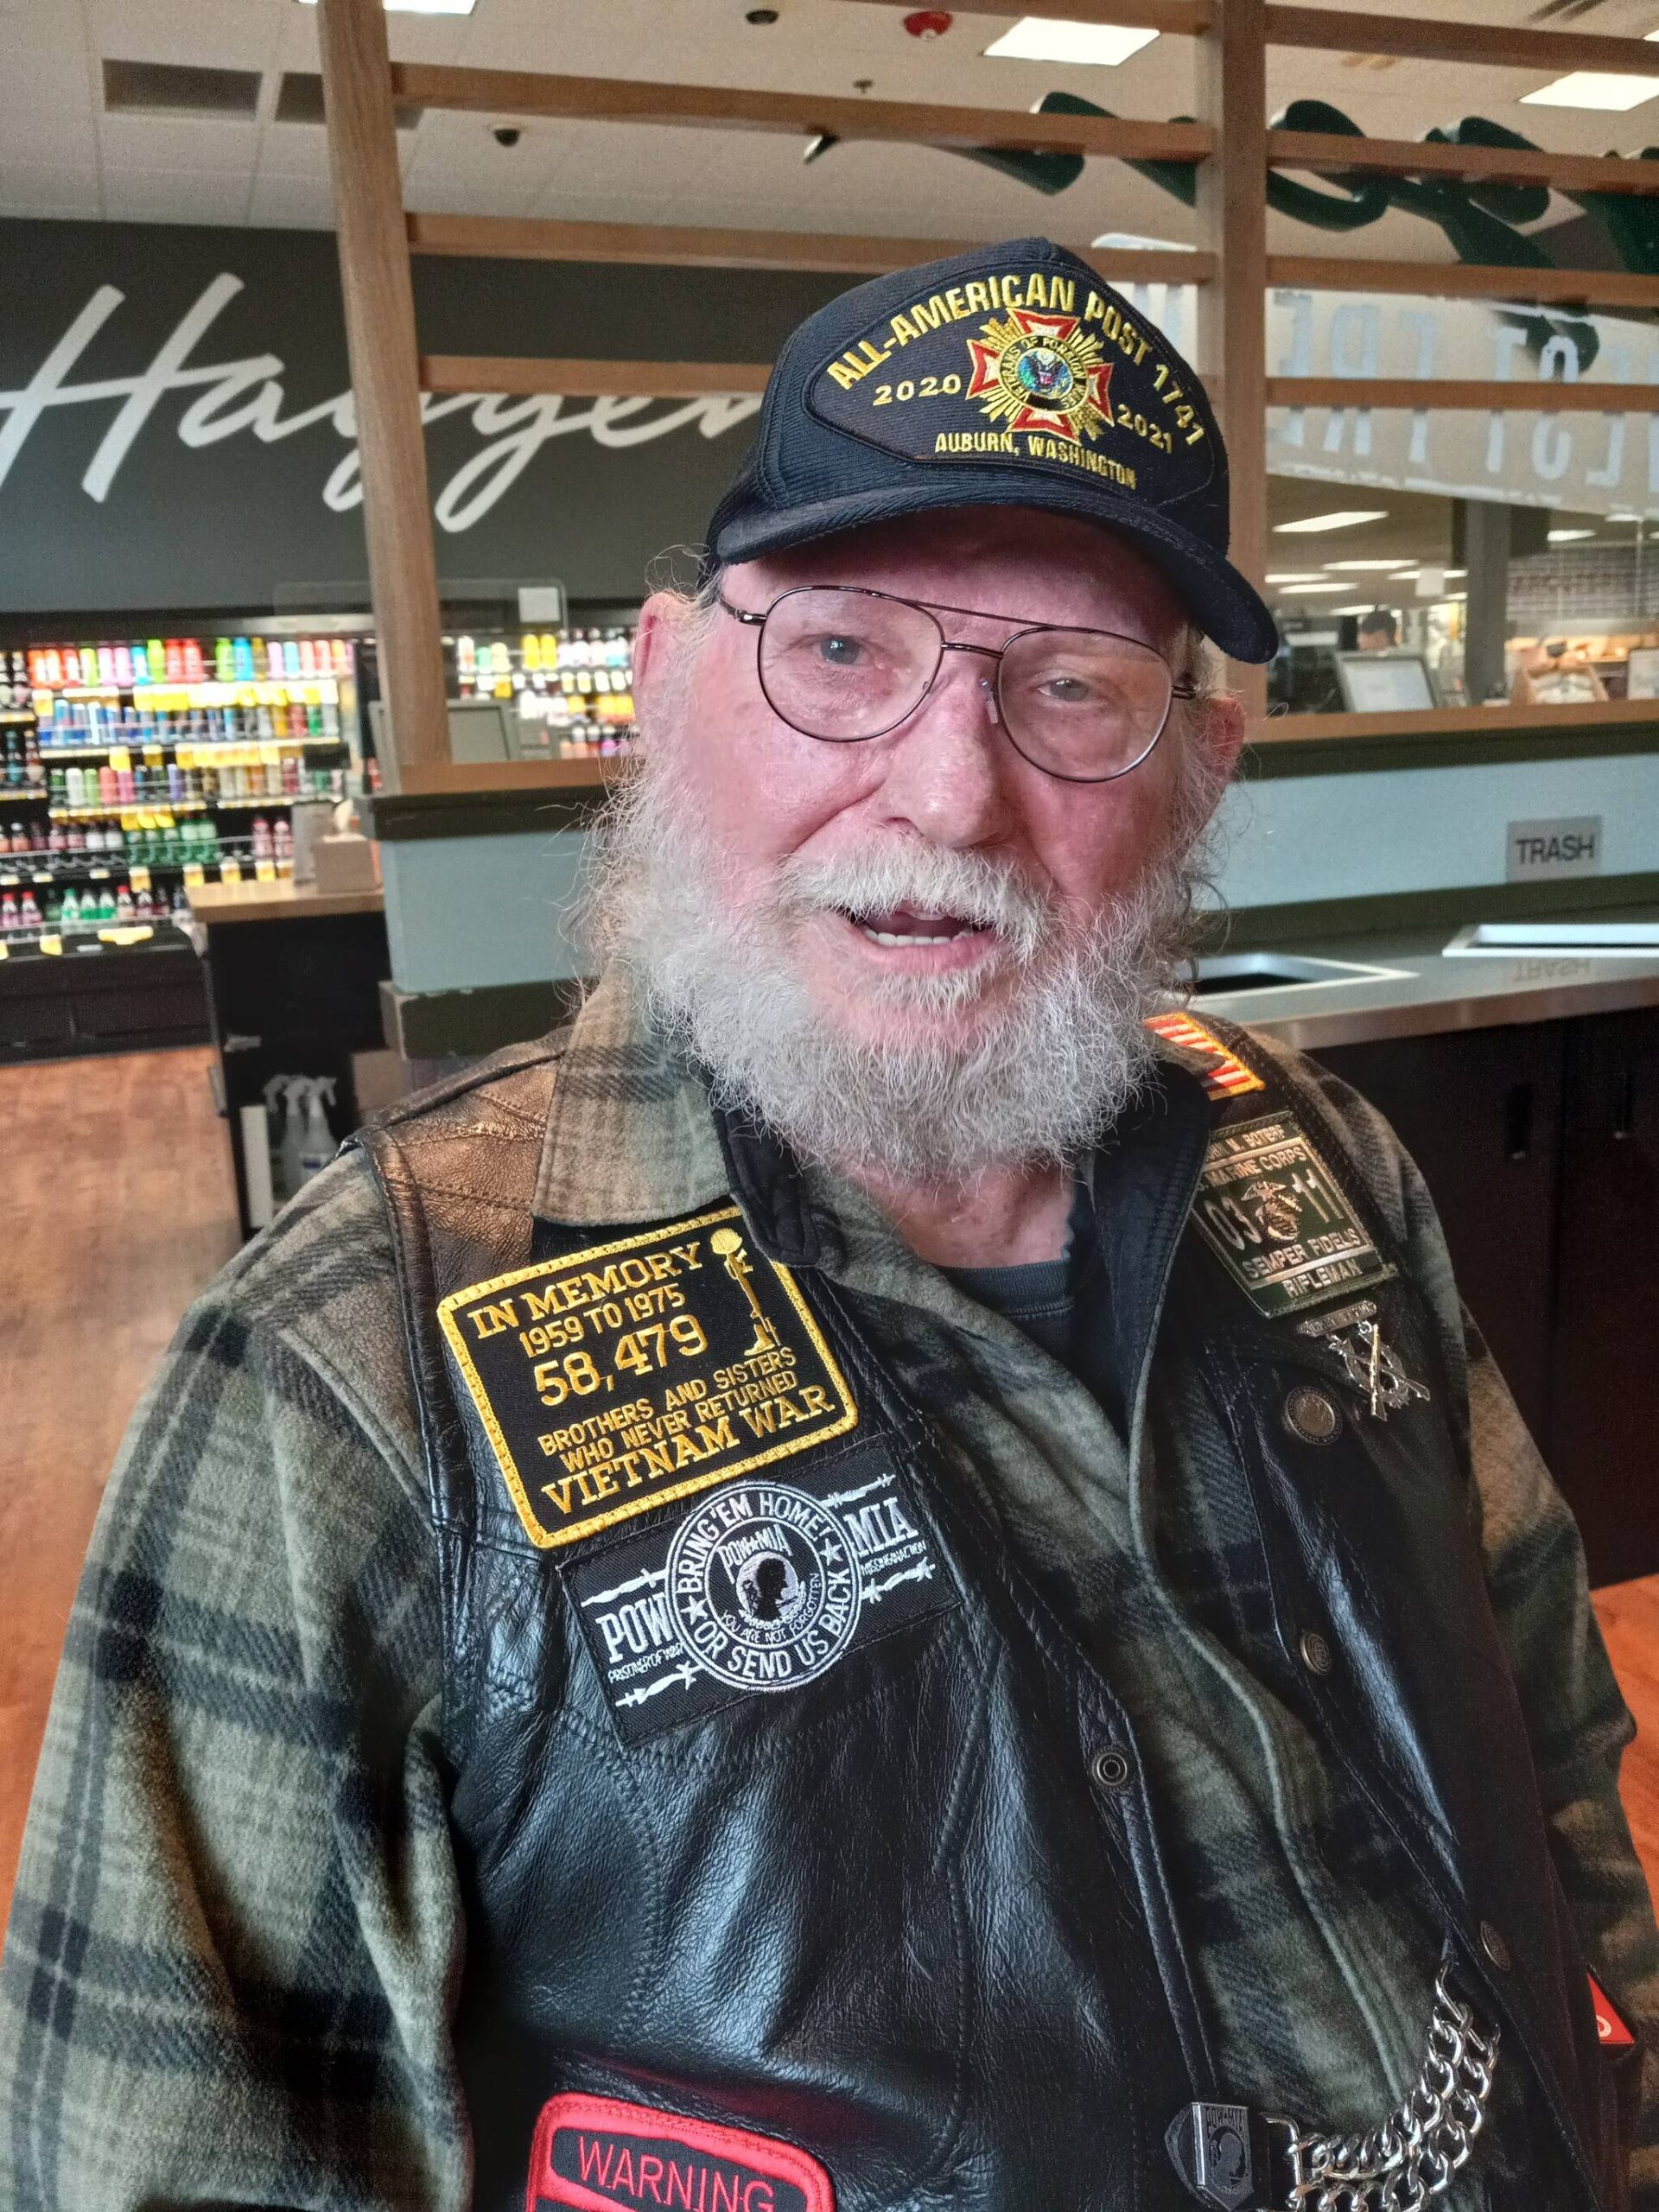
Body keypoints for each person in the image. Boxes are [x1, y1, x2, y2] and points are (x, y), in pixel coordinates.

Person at [3, 236, 1655, 2212]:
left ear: (1202, 772)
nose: (949, 792)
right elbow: (163, 2164)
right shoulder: (351, 1368)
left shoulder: (1323, 1164)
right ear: (664, 676)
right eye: (845, 650)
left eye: (1074, 688)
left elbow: (1551, 1750)